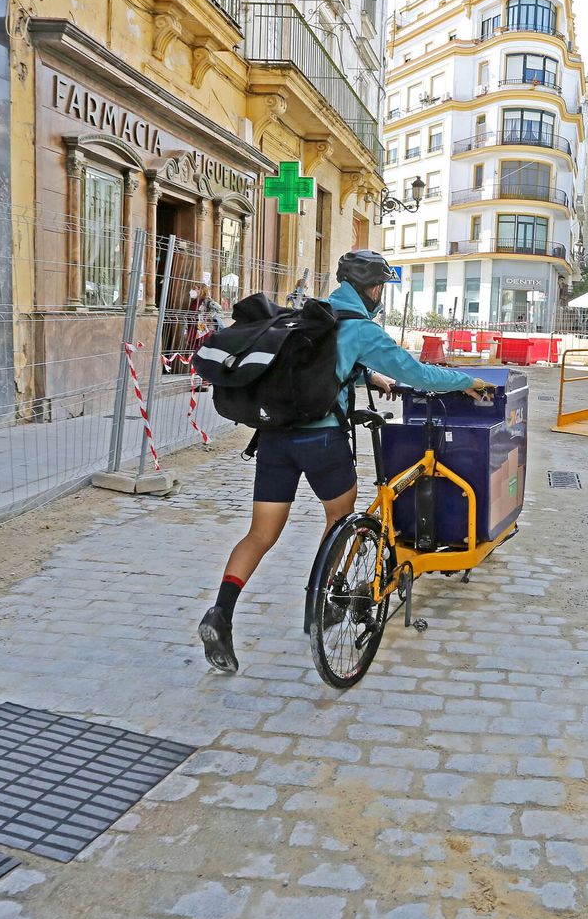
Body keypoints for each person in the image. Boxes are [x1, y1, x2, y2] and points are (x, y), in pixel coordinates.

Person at [197, 250, 491, 674]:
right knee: (340, 519)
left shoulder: (312, 316)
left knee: (260, 533)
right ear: (372, 289)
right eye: (380, 289)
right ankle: (321, 600)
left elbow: (322, 367)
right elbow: (420, 375)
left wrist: (368, 376)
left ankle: (220, 614)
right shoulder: (361, 329)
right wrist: (470, 381)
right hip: (321, 442)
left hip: (275, 439)